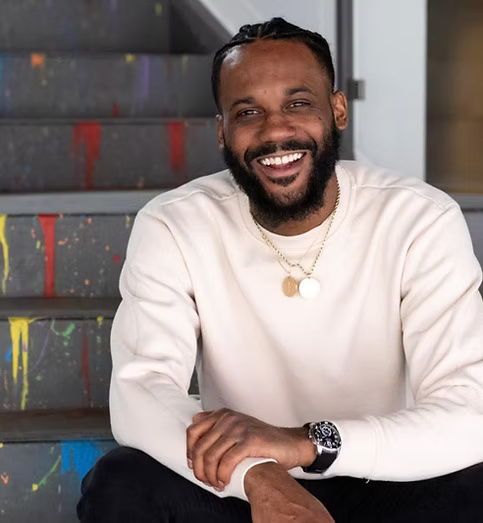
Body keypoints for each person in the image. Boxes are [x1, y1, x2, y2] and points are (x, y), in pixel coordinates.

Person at [77, 17, 483, 523]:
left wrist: (304, 444)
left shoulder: (419, 218)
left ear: (337, 110)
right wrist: (258, 473)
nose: (275, 131)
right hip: (241, 488)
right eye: (248, 112)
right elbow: (140, 392)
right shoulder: (174, 225)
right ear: (222, 131)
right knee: (120, 482)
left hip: (385, 477)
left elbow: (469, 413)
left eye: (298, 104)